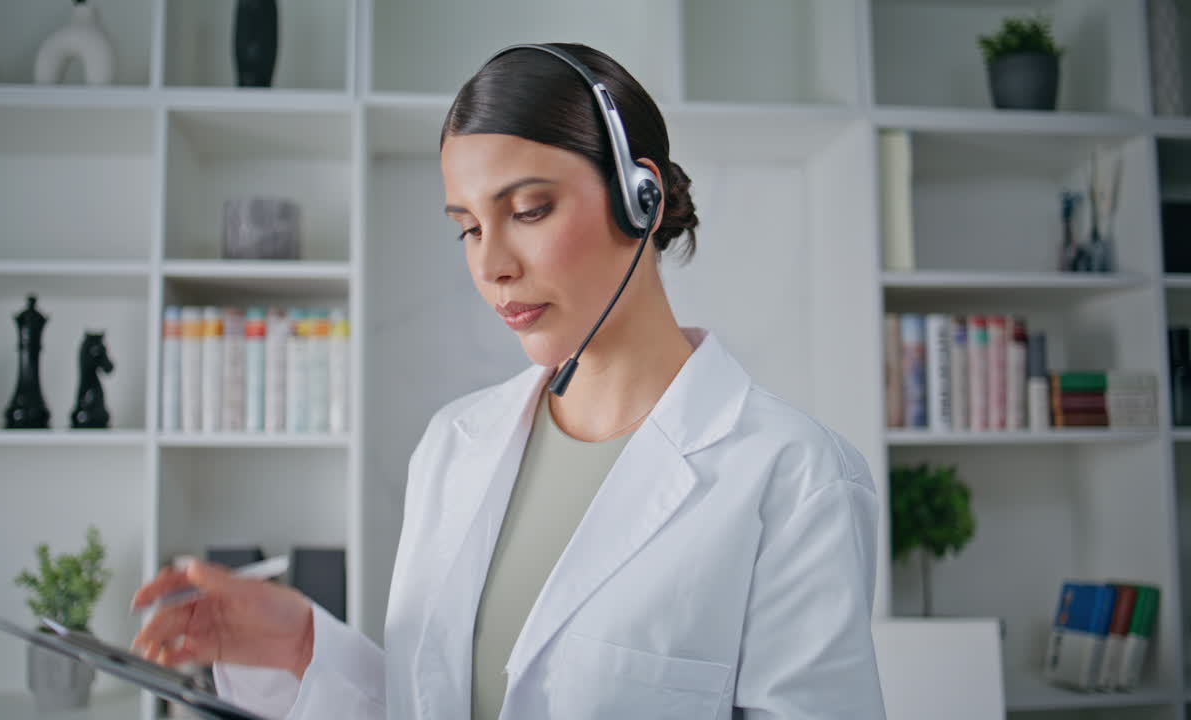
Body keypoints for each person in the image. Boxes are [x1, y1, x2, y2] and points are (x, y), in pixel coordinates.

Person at [131, 42, 887, 720]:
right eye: (467, 226)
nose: (491, 265)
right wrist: (302, 647)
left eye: (528, 209)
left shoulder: (794, 477)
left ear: (641, 198)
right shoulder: (453, 447)